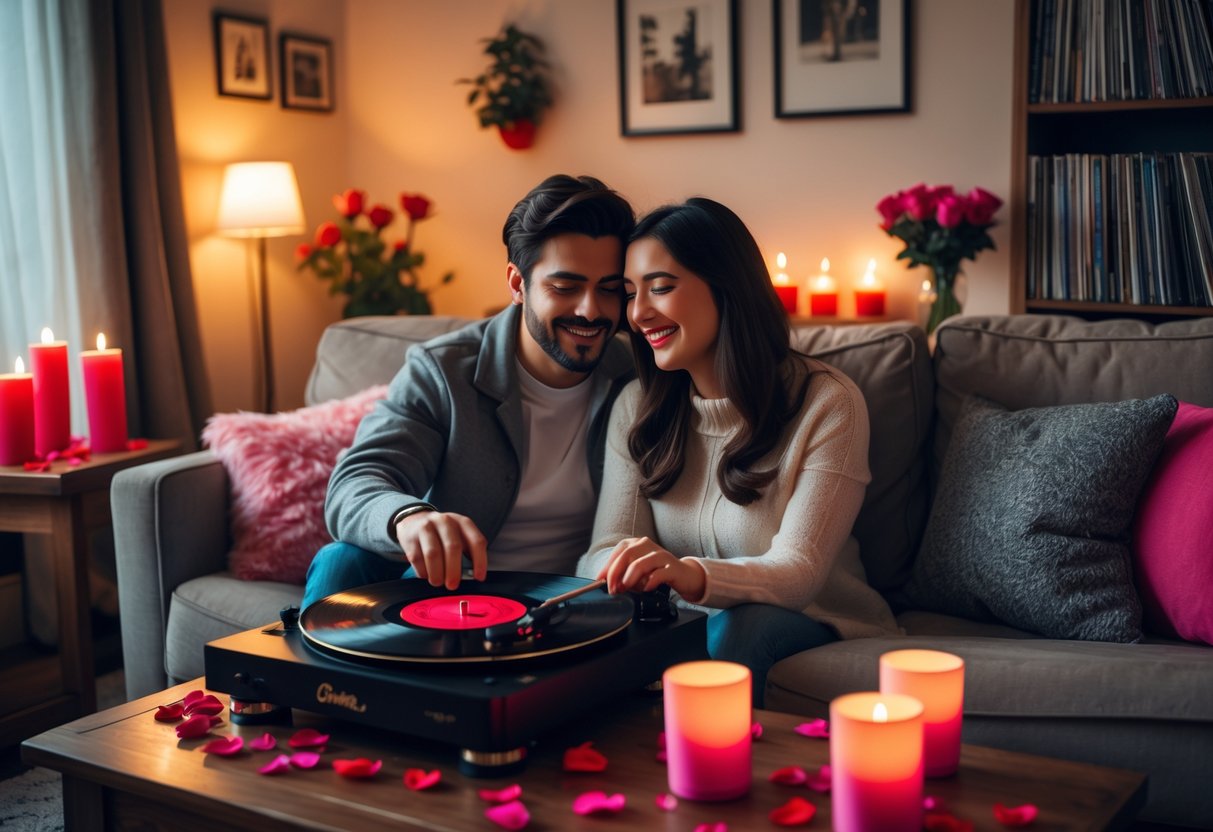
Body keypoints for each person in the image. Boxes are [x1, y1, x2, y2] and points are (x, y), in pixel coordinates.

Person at [576, 198, 898, 705]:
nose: (638, 315)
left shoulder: (827, 402)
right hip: (681, 622)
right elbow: (604, 548)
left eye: (661, 288)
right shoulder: (637, 405)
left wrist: (687, 573)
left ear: (727, 288)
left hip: (812, 619)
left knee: (735, 631)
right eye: (631, 293)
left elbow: (797, 573)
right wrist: (617, 571)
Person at [302, 174, 636, 609]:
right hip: (460, 598)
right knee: (341, 561)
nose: (591, 310)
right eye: (565, 287)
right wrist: (409, 516)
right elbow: (355, 483)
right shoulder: (444, 370)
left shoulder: (636, 375)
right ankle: (317, 680)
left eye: (608, 290)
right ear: (518, 284)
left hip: (576, 603)